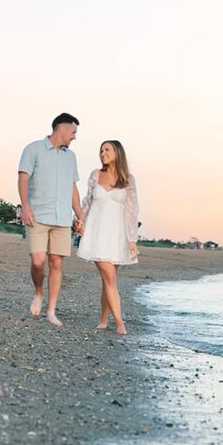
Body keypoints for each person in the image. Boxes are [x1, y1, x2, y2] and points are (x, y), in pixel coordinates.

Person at [17, 113, 86, 326]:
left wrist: (80, 215)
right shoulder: (33, 149)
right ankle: (38, 292)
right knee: (38, 261)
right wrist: (25, 207)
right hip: (37, 215)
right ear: (62, 129)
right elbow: (23, 178)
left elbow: (73, 187)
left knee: (56, 263)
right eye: (73, 132)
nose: (74, 137)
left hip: (62, 219)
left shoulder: (70, 157)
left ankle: (52, 311)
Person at [76, 140, 139, 335]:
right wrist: (80, 221)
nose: (103, 153)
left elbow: (131, 211)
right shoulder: (96, 175)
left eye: (107, 150)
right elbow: (87, 201)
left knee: (108, 280)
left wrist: (131, 239)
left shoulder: (128, 179)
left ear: (117, 153)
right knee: (110, 277)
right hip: (96, 233)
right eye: (101, 150)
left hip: (117, 235)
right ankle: (120, 323)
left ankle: (104, 320)